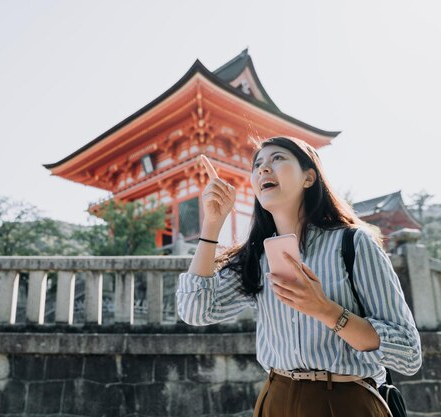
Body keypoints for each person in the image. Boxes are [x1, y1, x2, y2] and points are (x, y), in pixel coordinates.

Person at [176, 136, 421, 417]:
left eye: (277, 158)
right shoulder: (256, 258)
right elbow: (195, 312)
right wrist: (211, 225)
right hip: (275, 401)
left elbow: (409, 353)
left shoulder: (353, 244)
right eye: (257, 164)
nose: (263, 169)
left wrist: (326, 311)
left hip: (347, 401)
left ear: (309, 177)